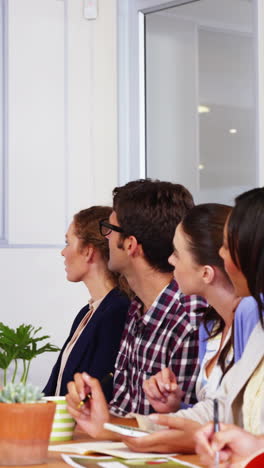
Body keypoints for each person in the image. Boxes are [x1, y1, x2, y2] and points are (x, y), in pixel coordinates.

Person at [119, 187, 263, 455]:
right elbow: (223, 406)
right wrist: (155, 421)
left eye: (228, 247)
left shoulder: (249, 311)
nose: (223, 257)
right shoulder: (238, 320)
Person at [66, 179, 207, 436]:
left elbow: (178, 427)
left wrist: (105, 424)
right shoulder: (136, 309)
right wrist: (94, 415)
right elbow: (123, 412)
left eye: (109, 228)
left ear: (130, 245)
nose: (105, 237)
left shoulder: (189, 318)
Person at [142, 203, 252, 414]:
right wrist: (175, 407)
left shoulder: (250, 313)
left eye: (176, 253)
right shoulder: (210, 326)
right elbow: (218, 415)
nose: (170, 260)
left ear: (206, 273)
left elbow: (245, 418)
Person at [43, 206, 130, 401]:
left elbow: (99, 393)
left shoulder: (117, 312)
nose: (63, 252)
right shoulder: (87, 312)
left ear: (88, 251)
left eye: (68, 243)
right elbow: (56, 390)